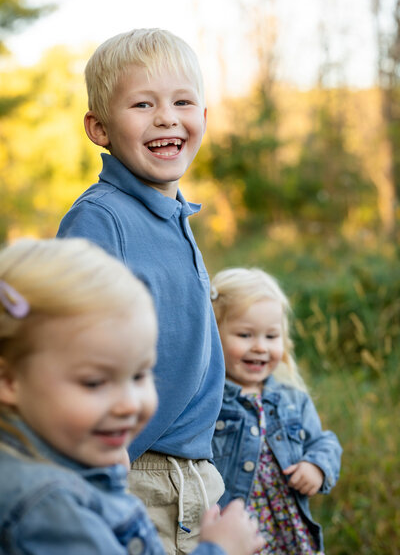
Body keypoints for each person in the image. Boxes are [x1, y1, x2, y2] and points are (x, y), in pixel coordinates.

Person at [56, 28, 226, 553]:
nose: (167, 117)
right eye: (143, 104)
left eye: (182, 102)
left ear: (203, 117)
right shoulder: (101, 219)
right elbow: (70, 345)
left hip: (196, 472)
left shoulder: (174, 214)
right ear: (99, 127)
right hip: (140, 476)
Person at [0, 237, 263, 555]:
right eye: (95, 383)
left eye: (140, 375)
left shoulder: (60, 466)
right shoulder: (49, 509)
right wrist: (219, 549)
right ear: (9, 380)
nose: (129, 404)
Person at [210, 267, 342, 555]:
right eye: (245, 335)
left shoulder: (292, 400)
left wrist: (316, 466)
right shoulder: (209, 401)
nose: (260, 347)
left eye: (271, 336)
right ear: (213, 334)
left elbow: (324, 441)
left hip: (287, 532)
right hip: (236, 532)